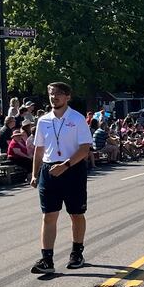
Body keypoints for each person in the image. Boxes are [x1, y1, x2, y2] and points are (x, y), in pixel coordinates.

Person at [30, 82, 94, 274]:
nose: (54, 97)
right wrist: (35, 173)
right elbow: (39, 149)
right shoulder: (43, 120)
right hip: (49, 171)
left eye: (58, 94)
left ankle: (77, 252)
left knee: (76, 214)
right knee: (48, 215)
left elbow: (84, 149)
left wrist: (65, 165)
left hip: (72, 169)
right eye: (51, 94)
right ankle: (47, 259)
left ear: (68, 97)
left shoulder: (77, 118)